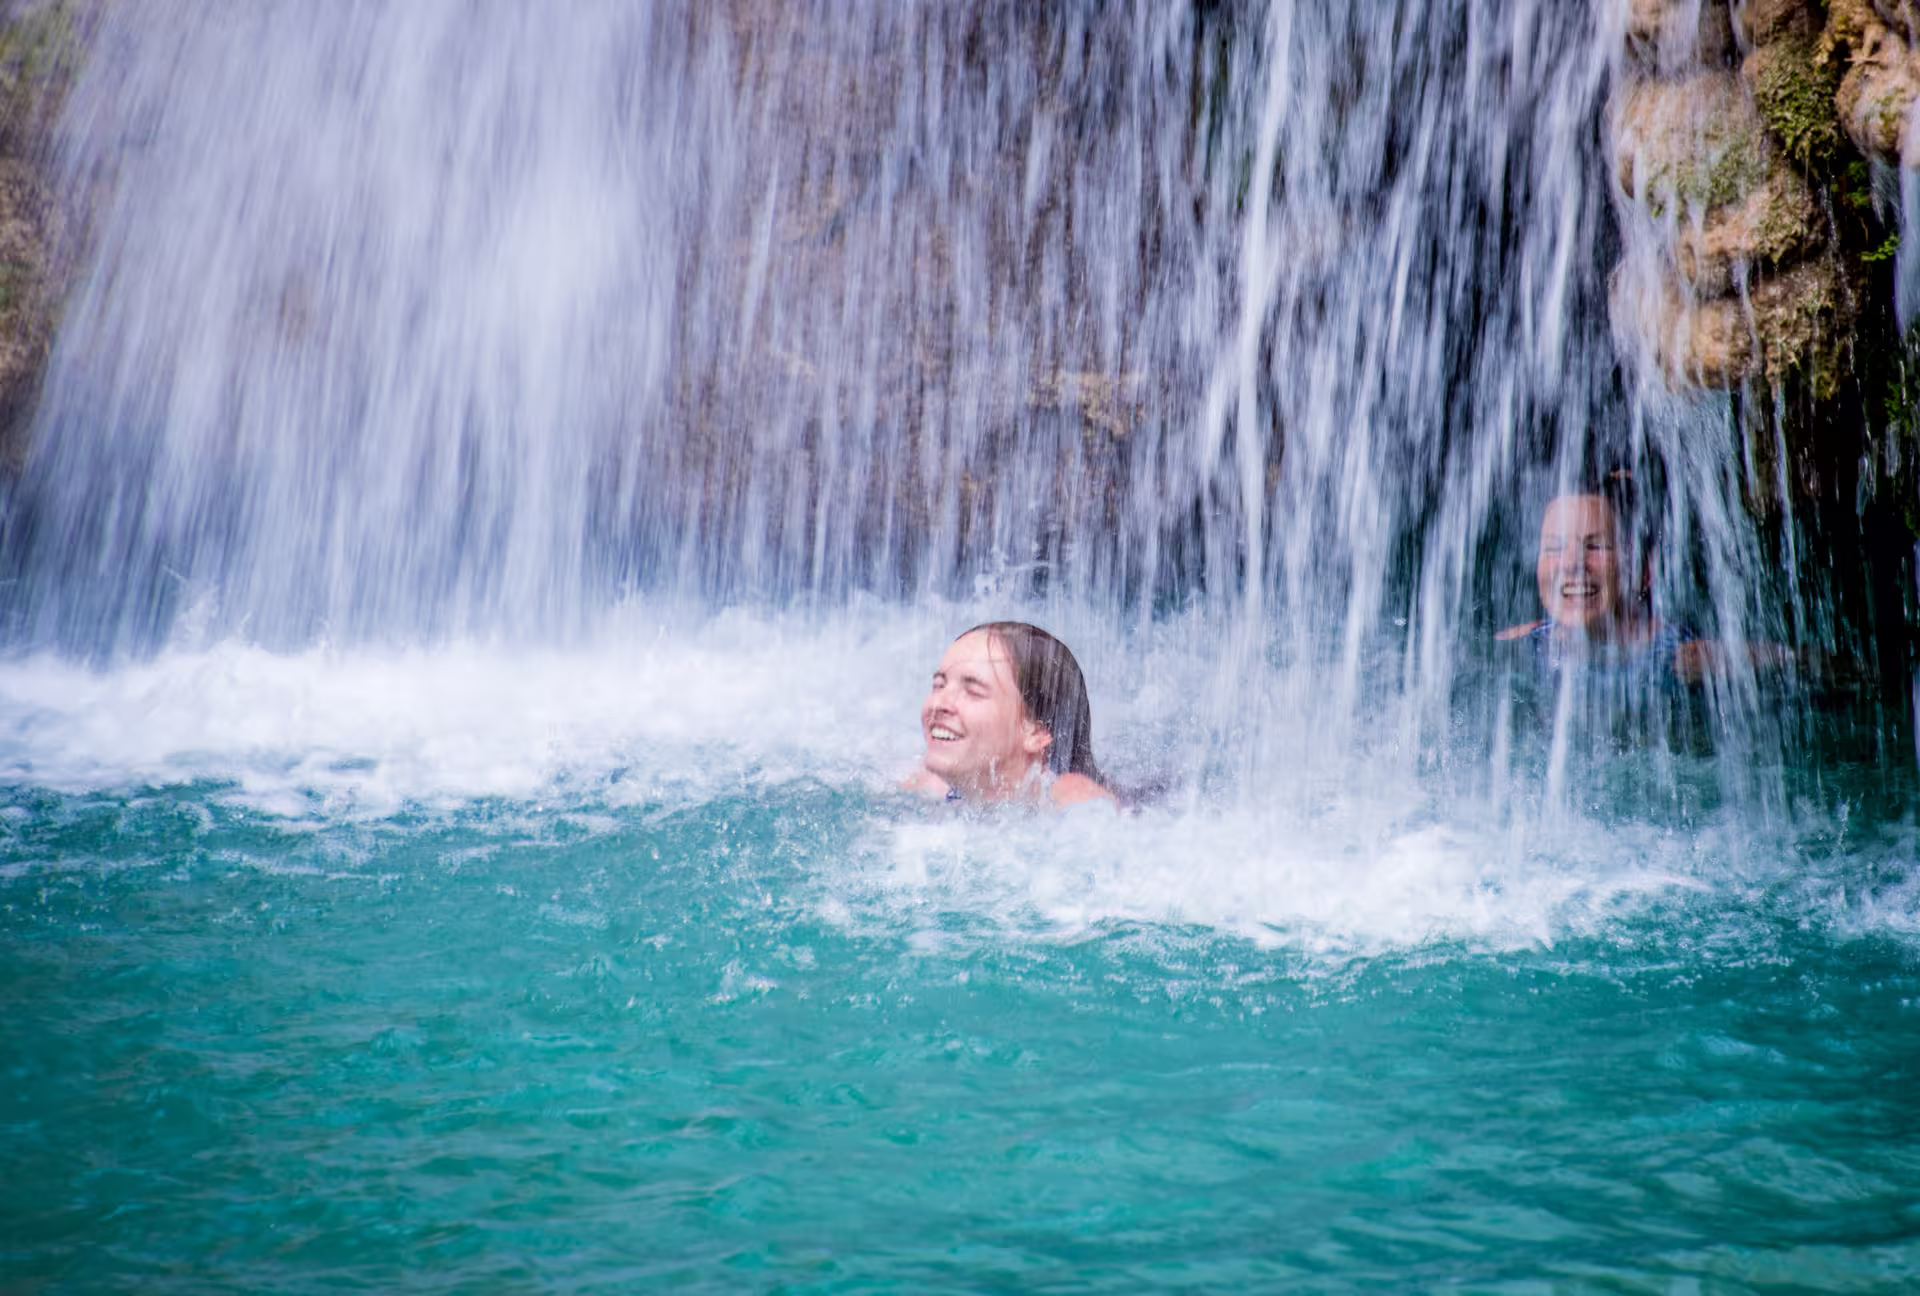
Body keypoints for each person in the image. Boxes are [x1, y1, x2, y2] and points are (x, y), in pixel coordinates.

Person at [904, 621, 1116, 807]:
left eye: (972, 692)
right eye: (939, 685)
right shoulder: (927, 787)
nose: (939, 703)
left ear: (1037, 731)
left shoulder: (1070, 796)